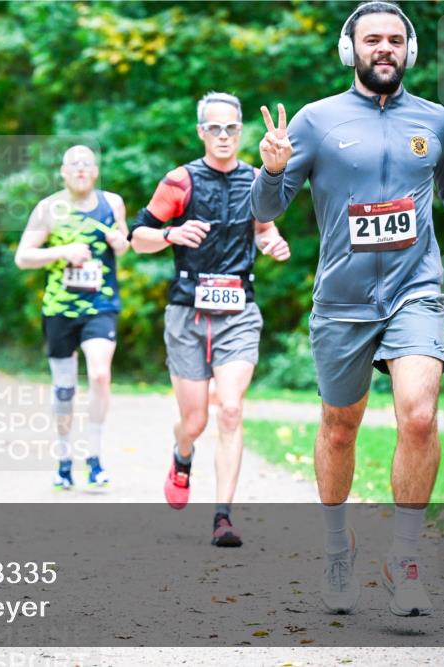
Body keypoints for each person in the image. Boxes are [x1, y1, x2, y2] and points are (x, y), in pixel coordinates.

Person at [251, 1, 444, 615]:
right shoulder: (315, 120)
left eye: (393, 40)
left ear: (408, 51)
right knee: (340, 428)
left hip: (415, 288)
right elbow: (270, 207)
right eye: (370, 39)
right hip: (343, 299)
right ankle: (338, 547)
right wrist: (272, 171)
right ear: (349, 49)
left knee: (418, 416)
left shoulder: (435, 121)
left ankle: (404, 559)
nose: (382, 48)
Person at [128, 92, 291, 546]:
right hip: (187, 311)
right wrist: (170, 233)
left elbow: (264, 228)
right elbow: (137, 236)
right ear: (201, 132)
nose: (223, 136)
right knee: (195, 420)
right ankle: (182, 455)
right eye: (214, 128)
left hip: (238, 311)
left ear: (241, 132)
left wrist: (271, 244)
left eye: (231, 128)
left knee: (232, 407)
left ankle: (223, 517)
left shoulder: (256, 180)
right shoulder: (180, 181)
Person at [15, 145, 130, 490]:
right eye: (73, 165)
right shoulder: (48, 208)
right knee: (64, 388)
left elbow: (125, 243)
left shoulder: (113, 203)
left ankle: (94, 457)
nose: (80, 170)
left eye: (86, 164)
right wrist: (62, 251)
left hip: (101, 304)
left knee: (98, 375)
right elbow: (23, 257)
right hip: (59, 309)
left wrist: (119, 240)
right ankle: (65, 458)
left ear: (95, 171)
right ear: (63, 172)